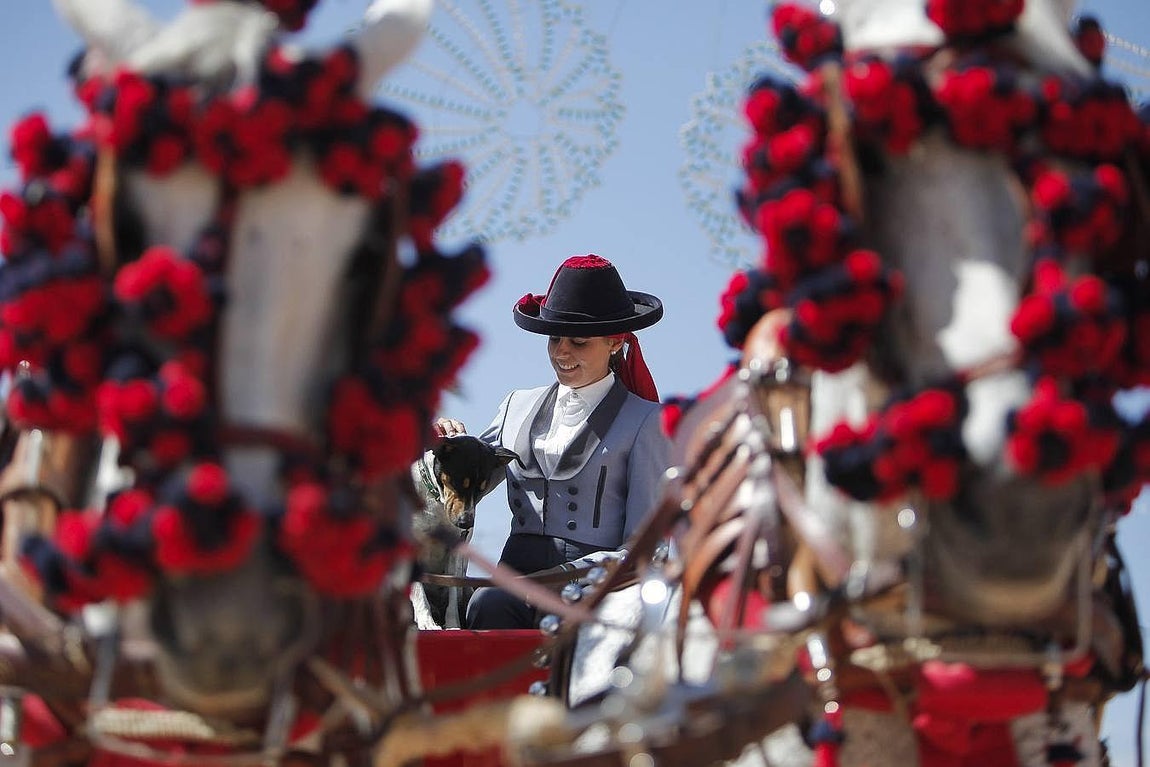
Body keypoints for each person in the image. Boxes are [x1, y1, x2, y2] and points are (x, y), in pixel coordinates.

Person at [433, 254, 671, 630]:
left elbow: (646, 543)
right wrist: (446, 444)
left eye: (578, 342)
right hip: (511, 579)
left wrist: (569, 577)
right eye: (555, 338)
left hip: (593, 587)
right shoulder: (515, 405)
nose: (562, 352)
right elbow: (470, 477)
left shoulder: (646, 422)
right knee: (484, 607)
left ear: (614, 343)